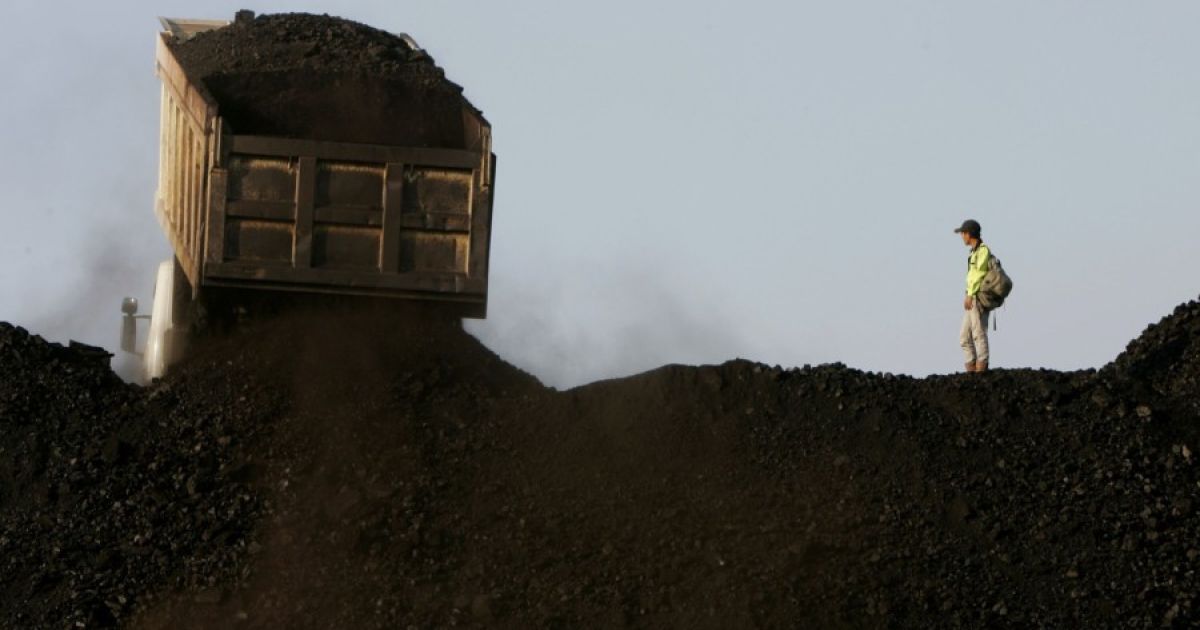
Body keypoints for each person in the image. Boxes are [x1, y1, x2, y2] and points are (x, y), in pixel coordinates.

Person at [954, 219, 991, 372]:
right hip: (971, 297)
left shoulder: (983, 251)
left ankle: (981, 368)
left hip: (977, 297)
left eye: (963, 233)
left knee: (978, 333)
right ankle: (971, 369)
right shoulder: (974, 252)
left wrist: (970, 295)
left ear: (969, 234)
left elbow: (978, 275)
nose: (962, 236)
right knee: (964, 336)